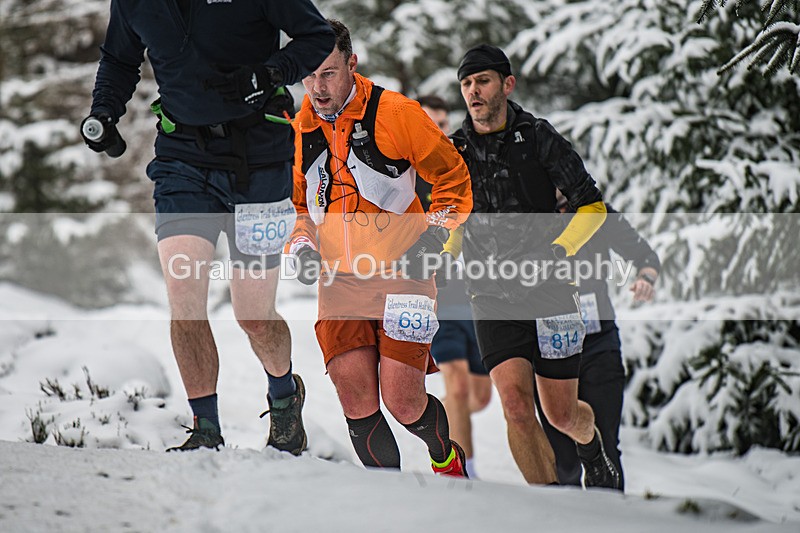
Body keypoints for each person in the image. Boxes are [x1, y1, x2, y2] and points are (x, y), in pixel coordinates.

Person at [81, 1, 335, 452]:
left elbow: (318, 38)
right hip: (183, 158)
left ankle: (283, 396)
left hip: (259, 158)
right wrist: (103, 112)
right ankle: (206, 429)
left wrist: (271, 74)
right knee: (186, 301)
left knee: (254, 316)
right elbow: (120, 58)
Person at [287, 20, 474, 476]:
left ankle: (446, 460)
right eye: (309, 76)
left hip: (405, 271)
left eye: (328, 73)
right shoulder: (299, 130)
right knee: (356, 397)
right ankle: (386, 502)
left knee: (402, 399)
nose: (318, 87)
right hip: (340, 281)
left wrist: (433, 237)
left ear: (352, 63)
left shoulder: (396, 113)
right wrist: (302, 246)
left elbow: (453, 180)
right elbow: (298, 207)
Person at [451, 44, 620, 488]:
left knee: (562, 413)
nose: (474, 91)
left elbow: (593, 207)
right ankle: (548, 507)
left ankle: (592, 446)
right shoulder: (455, 148)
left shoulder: (539, 136)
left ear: (507, 84)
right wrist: (442, 254)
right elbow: (449, 217)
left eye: (483, 80)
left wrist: (560, 252)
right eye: (466, 84)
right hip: (490, 293)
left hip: (551, 289)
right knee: (517, 408)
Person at [535, 196, 661, 491]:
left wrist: (645, 279)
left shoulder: (596, 213)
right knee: (564, 458)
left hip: (598, 343)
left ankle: (611, 519)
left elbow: (646, 256)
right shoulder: (529, 214)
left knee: (606, 446)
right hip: (550, 346)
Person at [415, 95, 492, 480]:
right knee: (459, 387)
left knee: (478, 396)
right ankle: (466, 474)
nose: (437, 131)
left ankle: (427, 416)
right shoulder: (404, 176)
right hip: (434, 293)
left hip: (473, 293)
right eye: (430, 122)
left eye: (442, 123)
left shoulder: (457, 168)